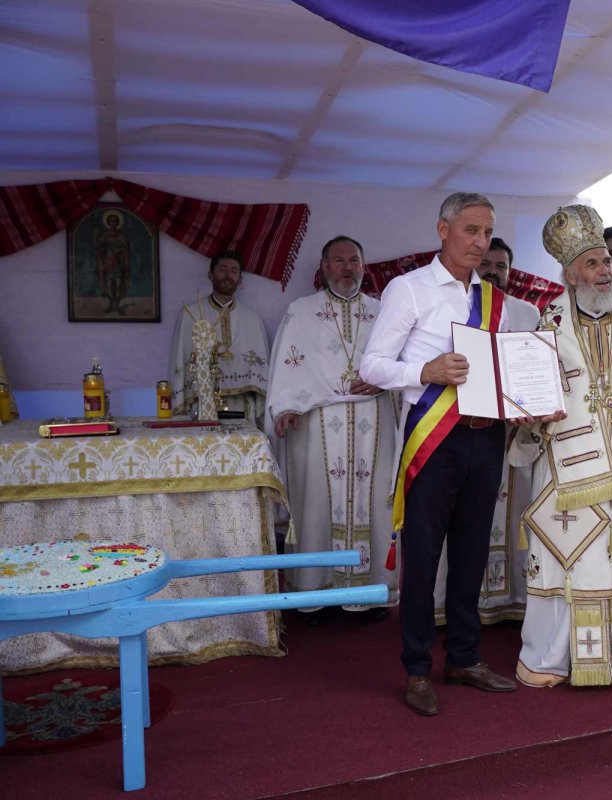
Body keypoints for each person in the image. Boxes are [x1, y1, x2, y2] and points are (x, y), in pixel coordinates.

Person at [359, 193, 518, 716]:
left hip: (485, 435)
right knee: (423, 556)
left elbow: (501, 370)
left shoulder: (493, 299)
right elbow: (372, 366)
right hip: (433, 436)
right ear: (443, 229)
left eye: (487, 233)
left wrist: (522, 400)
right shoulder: (409, 289)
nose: (480, 242)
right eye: (470, 230)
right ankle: (416, 668)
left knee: (473, 551)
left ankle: (465, 657)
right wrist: (423, 372)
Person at [512, 204, 612, 688]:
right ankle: (551, 657)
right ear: (569, 273)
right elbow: (526, 395)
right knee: (566, 556)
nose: (606, 272)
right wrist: (529, 412)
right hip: (565, 467)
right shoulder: (545, 326)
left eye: (608, 262)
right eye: (594, 264)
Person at [267, 236, 399, 625]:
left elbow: (405, 364)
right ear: (324, 268)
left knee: (377, 503)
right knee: (315, 505)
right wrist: (287, 407)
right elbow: (286, 369)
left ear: (363, 265)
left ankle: (373, 591)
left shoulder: (383, 313)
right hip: (317, 425)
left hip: (376, 421)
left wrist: (383, 381)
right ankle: (314, 590)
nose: (346, 268)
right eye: (338, 261)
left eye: (354, 261)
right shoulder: (300, 312)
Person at [431, 237, 539, 625]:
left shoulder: (528, 314)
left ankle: (513, 598)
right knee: (465, 524)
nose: (494, 271)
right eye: (487, 264)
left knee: (515, 515)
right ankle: (457, 607)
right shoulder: (458, 307)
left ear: (512, 271)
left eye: (502, 265)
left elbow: (536, 372)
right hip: (467, 432)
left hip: (515, 436)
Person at [168, 251, 270, 428]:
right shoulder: (189, 315)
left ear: (240, 279)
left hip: (242, 404)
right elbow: (180, 358)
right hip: (202, 402)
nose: (228, 275)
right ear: (210, 274)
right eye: (222, 269)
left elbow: (262, 369)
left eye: (234, 271)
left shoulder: (252, 318)